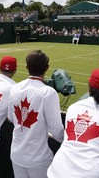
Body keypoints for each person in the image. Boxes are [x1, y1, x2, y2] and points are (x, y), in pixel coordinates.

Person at [7, 50, 64, 178]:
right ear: (47, 68)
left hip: (17, 154)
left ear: (27, 67)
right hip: (37, 159)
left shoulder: (15, 88)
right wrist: (69, 143)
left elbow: (11, 117)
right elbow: (56, 129)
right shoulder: (48, 92)